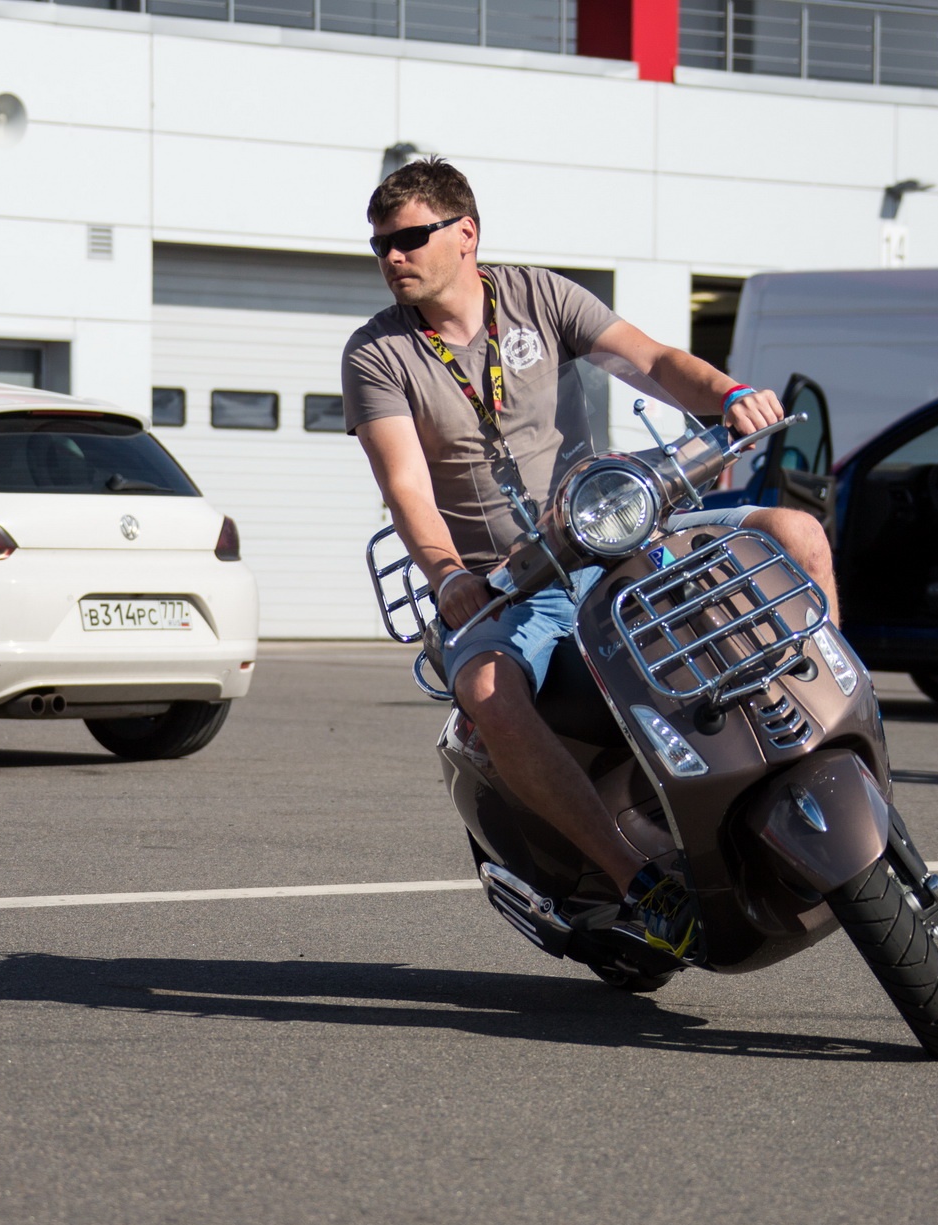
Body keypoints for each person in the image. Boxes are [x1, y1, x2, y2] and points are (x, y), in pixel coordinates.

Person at [343, 158, 837, 957]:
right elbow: (405, 487)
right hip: (510, 583)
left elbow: (651, 361)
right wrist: (448, 576)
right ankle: (640, 881)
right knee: (487, 690)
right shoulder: (378, 354)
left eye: (409, 238)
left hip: (615, 526)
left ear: (465, 234)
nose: (392, 257)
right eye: (381, 246)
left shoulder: (539, 296)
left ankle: (829, 741)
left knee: (797, 533)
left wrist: (728, 393)